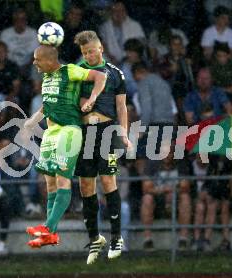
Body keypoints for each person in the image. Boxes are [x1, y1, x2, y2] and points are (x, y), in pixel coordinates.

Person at [24, 45, 107, 248]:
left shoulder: (69, 70)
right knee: (50, 184)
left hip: (69, 131)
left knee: (63, 181)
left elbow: (100, 77)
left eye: (37, 59)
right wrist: (32, 121)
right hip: (51, 134)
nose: (34, 63)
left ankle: (48, 226)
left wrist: (93, 98)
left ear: (50, 60)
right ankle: (49, 234)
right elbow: (48, 104)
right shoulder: (46, 79)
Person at [73, 30, 131, 264]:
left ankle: (116, 237)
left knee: (108, 180)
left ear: (101, 49)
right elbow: (71, 98)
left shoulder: (116, 73)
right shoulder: (78, 71)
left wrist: (124, 134)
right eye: (84, 52)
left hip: (107, 130)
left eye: (91, 50)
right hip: (84, 132)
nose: (88, 55)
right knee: (86, 185)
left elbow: (122, 108)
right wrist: (82, 104)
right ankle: (94, 238)